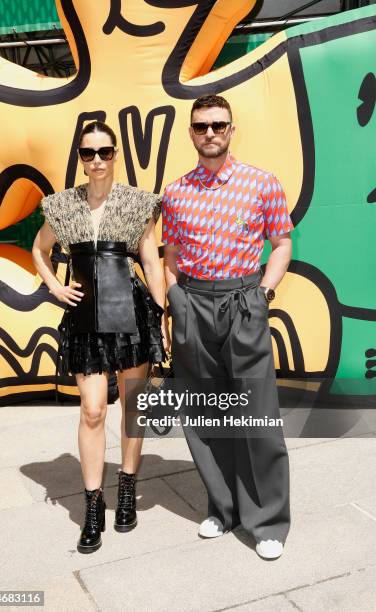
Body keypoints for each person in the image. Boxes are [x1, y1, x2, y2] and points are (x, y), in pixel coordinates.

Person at [162, 94, 293, 559]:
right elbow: (171, 255)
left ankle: (267, 521)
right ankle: (223, 507)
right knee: (204, 410)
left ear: (231, 129)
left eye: (219, 124)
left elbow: (281, 243)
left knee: (255, 412)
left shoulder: (262, 184)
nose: (210, 133)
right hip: (192, 302)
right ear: (191, 132)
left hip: (243, 300)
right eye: (201, 126)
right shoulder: (175, 193)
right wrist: (174, 298)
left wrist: (264, 293)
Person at [32, 120, 170, 554]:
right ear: (80, 158)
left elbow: (151, 262)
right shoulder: (62, 206)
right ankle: (94, 502)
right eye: (88, 153)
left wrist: (162, 317)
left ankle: (127, 484)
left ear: (115, 154)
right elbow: (39, 249)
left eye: (104, 152)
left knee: (132, 406)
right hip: (85, 317)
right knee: (92, 410)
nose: (96, 161)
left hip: (131, 313)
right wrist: (55, 286)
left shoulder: (136, 202)